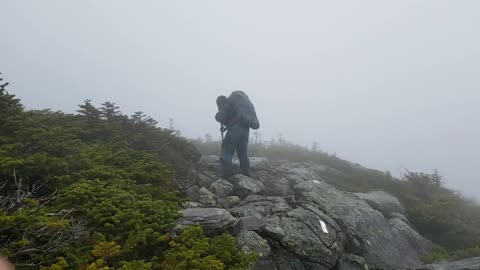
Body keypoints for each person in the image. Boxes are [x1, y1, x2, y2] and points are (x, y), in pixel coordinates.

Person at [215, 95, 251, 178]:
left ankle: (226, 174)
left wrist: (219, 113)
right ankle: (247, 173)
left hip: (235, 130)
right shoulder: (235, 107)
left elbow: (221, 118)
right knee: (243, 154)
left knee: (226, 150)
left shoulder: (225, 106)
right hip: (245, 130)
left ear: (220, 103)